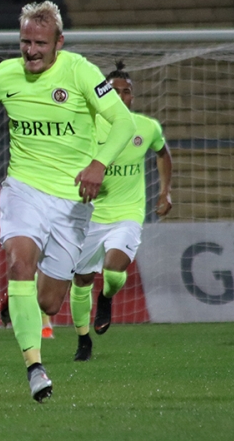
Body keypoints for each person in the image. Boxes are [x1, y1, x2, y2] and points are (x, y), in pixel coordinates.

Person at [0, 1, 135, 402]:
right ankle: (35, 368)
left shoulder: (80, 72)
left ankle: (18, 296)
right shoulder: (4, 75)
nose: (31, 50)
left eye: (40, 43)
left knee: (49, 303)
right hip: (24, 188)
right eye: (25, 41)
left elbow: (123, 122)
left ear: (59, 43)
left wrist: (98, 164)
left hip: (72, 202)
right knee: (20, 262)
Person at [68, 61, 173, 361]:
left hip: (128, 213)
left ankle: (107, 297)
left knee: (114, 272)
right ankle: (83, 339)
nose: (122, 96)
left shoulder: (146, 128)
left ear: (132, 97)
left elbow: (163, 154)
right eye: (115, 91)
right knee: (81, 281)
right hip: (89, 215)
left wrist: (165, 191)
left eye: (127, 92)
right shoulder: (87, 126)